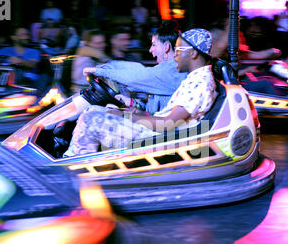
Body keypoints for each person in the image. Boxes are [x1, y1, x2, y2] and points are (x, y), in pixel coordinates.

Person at [63, 28, 217, 157]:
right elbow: (166, 116)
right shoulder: (195, 78)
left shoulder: (199, 82)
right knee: (94, 109)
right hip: (159, 131)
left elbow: (168, 123)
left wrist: (126, 115)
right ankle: (82, 161)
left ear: (193, 54)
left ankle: (73, 167)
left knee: (92, 118)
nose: (174, 55)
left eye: (179, 50)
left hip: (162, 138)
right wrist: (134, 111)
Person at [82, 21, 187, 113]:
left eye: (154, 45)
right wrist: (131, 102)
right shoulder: (167, 69)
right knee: (100, 111)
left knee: (92, 115)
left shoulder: (172, 71)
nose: (151, 50)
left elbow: (134, 77)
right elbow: (153, 106)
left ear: (166, 47)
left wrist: (98, 71)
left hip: (158, 127)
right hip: (153, 121)